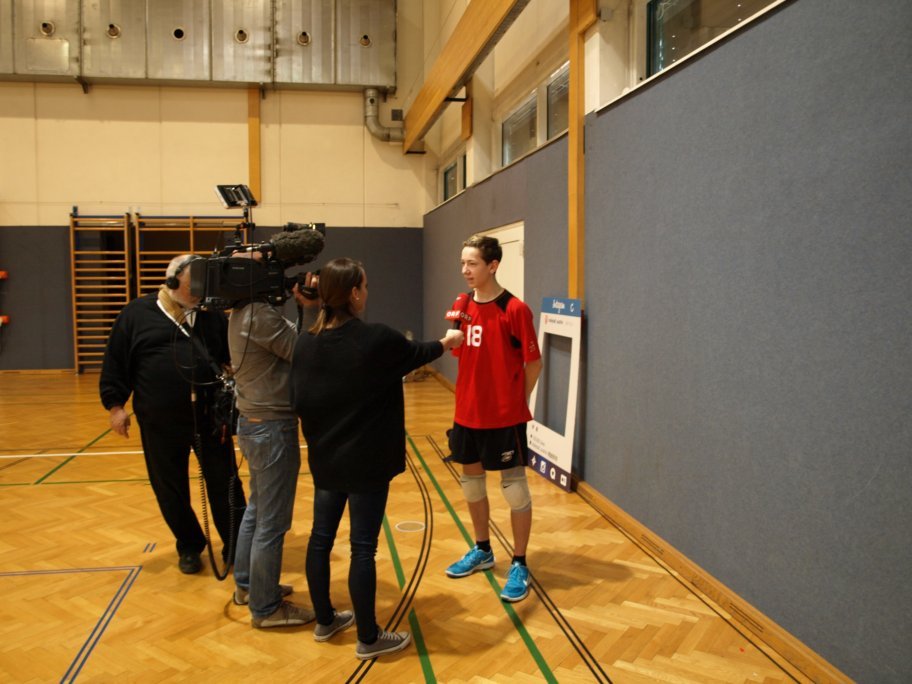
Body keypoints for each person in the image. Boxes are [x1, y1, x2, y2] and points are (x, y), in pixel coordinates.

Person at [291, 258, 464, 659]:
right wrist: (448, 341)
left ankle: (325, 620)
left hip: (326, 461)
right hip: (366, 463)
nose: (367, 292)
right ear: (353, 293)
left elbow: (297, 401)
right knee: (362, 547)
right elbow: (419, 352)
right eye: (364, 286)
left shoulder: (304, 343)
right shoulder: (376, 339)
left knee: (320, 539)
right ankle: (368, 638)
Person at [100, 254, 246, 574]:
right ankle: (190, 545)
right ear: (173, 280)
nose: (202, 287)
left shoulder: (211, 315)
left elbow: (228, 357)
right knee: (170, 488)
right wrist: (116, 407)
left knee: (226, 482)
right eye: (196, 280)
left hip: (209, 418)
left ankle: (236, 545)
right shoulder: (136, 314)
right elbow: (116, 362)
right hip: (159, 421)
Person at [444, 234, 542, 602]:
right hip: (467, 414)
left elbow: (534, 363)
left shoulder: (515, 310)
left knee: (514, 490)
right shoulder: (462, 305)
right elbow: (463, 355)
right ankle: (483, 549)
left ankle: (519, 562)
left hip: (504, 418)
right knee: (471, 485)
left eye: (472, 263)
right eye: (463, 263)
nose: (465, 270)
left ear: (493, 265)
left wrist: (516, 402)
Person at [228, 270, 320, 629]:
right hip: (271, 428)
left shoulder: (243, 310)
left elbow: (291, 342)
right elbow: (305, 352)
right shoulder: (259, 315)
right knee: (272, 521)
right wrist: (312, 307)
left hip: (255, 423)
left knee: (257, 510)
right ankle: (266, 608)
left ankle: (250, 586)